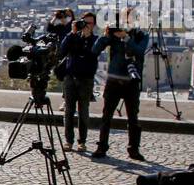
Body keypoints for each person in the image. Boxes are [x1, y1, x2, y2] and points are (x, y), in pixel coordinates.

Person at [91, 19, 150, 160]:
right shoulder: (113, 35)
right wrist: (106, 36)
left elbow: (140, 52)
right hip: (113, 81)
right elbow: (94, 50)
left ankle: (133, 149)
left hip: (132, 82)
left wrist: (127, 38)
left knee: (133, 118)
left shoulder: (141, 35)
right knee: (106, 116)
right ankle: (102, 146)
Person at [59, 17, 99, 152]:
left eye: (89, 23)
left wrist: (87, 39)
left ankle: (82, 141)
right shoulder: (73, 37)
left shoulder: (96, 40)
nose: (86, 25)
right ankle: (68, 141)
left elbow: (92, 55)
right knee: (68, 111)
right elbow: (62, 50)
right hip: (70, 77)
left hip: (86, 79)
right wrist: (72, 33)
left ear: (94, 25)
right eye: (84, 22)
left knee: (83, 111)